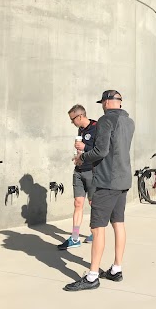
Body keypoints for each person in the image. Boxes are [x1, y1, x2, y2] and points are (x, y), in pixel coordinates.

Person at [63, 90, 135, 292]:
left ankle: (92, 275)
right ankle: (116, 269)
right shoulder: (129, 122)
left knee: (97, 227)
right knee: (118, 223)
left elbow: (101, 151)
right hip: (123, 179)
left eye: (102, 102)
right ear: (119, 103)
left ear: (105, 103)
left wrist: (81, 158)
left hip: (106, 180)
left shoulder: (104, 121)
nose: (102, 106)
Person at [58, 104, 97, 250]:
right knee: (78, 203)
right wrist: (78, 156)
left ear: (80, 116)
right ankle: (74, 237)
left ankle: (95, 232)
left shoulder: (97, 127)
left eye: (72, 119)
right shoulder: (80, 129)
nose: (72, 123)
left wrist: (85, 148)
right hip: (79, 170)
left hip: (93, 172)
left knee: (94, 203)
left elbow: (102, 149)